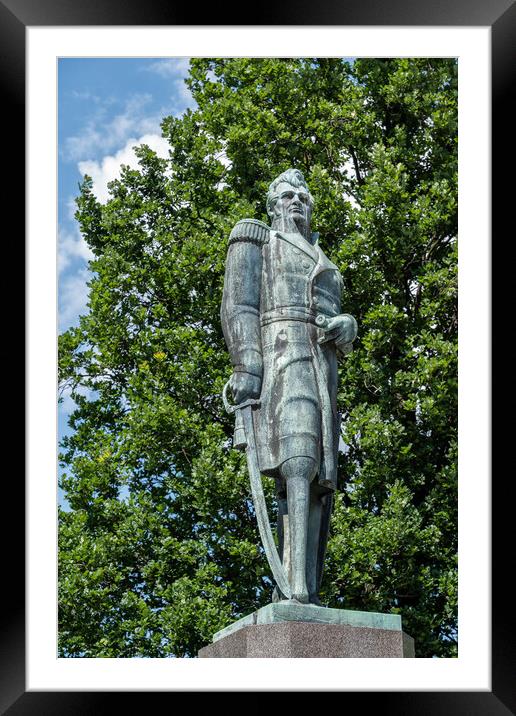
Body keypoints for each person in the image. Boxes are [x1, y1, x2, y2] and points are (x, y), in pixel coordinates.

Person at [220, 168, 357, 604]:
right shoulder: (257, 240)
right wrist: (247, 367)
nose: (296, 200)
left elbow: (335, 312)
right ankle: (295, 586)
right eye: (287, 195)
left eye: (303, 195)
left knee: (318, 473)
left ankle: (307, 587)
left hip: (323, 366)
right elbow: (238, 306)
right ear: (272, 203)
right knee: (296, 461)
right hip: (282, 356)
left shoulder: (323, 256)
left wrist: (347, 326)